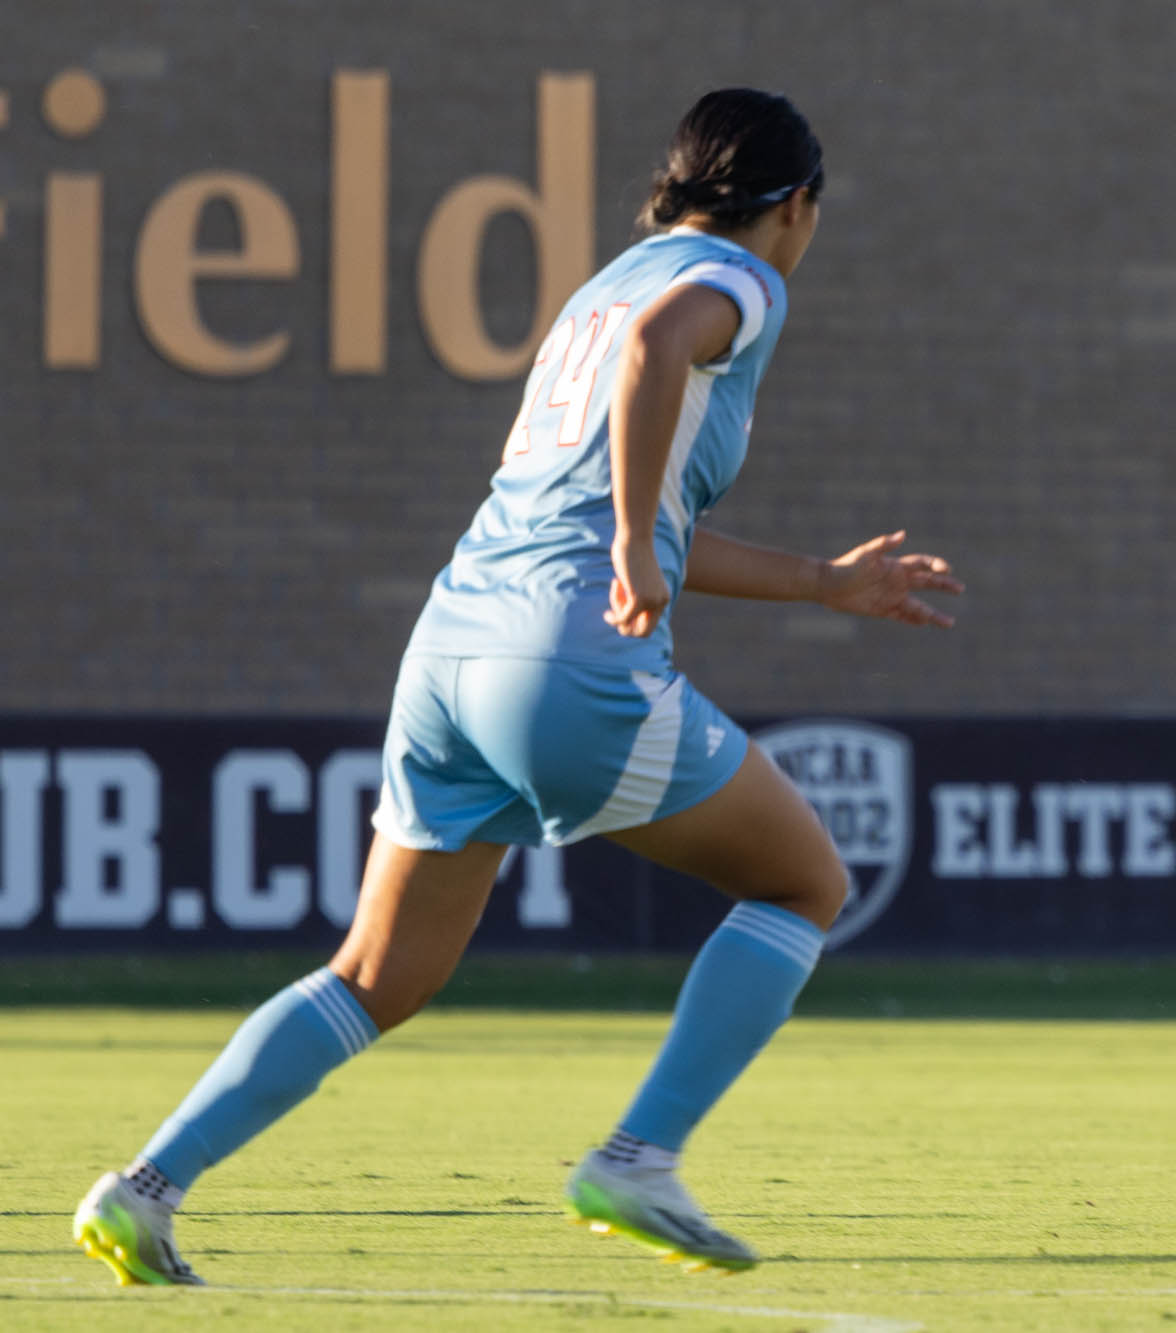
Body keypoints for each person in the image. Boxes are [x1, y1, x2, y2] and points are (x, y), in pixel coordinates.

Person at [73, 88, 961, 1286]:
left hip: (450, 652)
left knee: (376, 975)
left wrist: (814, 580)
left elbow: (607, 469)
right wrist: (641, 547)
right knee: (804, 881)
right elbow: (656, 375)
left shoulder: (605, 285)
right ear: (794, 203)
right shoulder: (743, 280)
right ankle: (638, 1158)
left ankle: (144, 1189)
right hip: (560, 660)